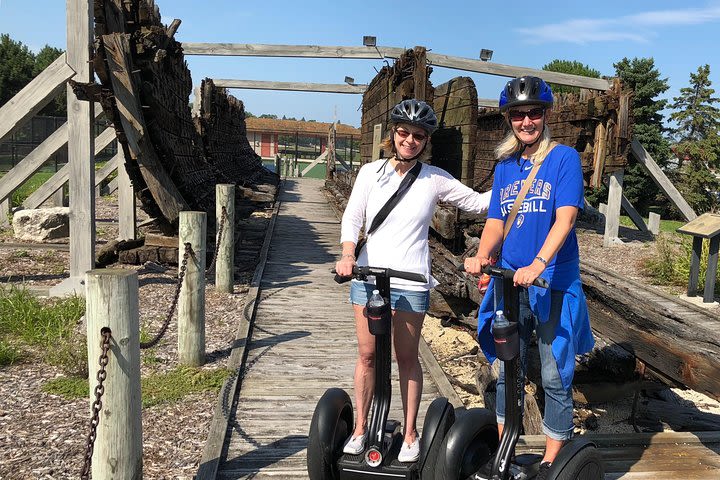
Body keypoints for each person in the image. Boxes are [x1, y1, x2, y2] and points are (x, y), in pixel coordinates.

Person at [335, 99, 491, 462]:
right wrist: (346, 255)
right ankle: (360, 428)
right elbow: (352, 219)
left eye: (418, 135)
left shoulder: (434, 179)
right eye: (403, 132)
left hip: (410, 281)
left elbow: (479, 204)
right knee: (368, 355)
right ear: (393, 134)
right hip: (368, 275)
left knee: (406, 357)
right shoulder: (370, 173)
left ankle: (409, 433)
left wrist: (519, 181)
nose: (409, 140)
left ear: (426, 140)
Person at [463, 76, 595, 479]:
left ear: (545, 115)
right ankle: (506, 449)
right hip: (509, 282)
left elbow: (566, 218)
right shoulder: (504, 166)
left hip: (551, 281)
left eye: (533, 113)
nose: (526, 121)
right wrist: (483, 256)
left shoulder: (564, 159)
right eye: (518, 115)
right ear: (509, 119)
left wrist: (538, 263)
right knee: (507, 369)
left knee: (555, 371)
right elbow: (496, 221)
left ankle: (554, 459)